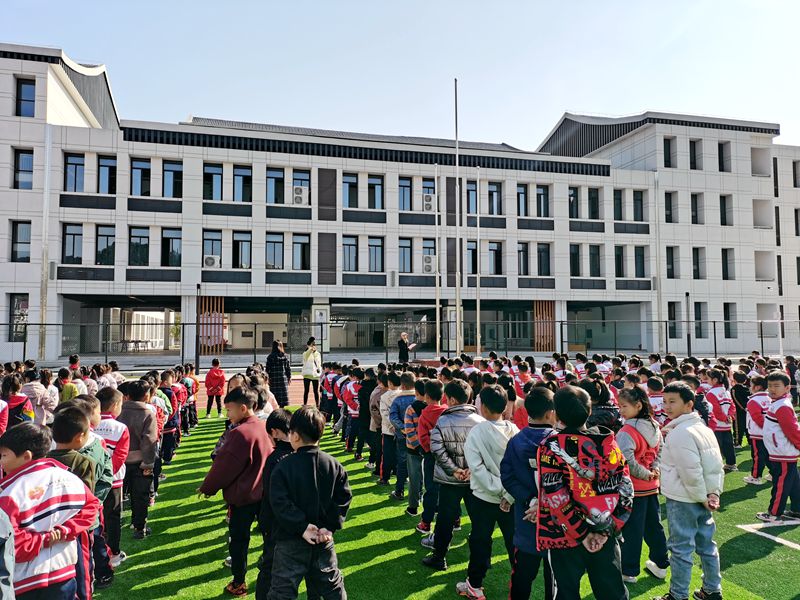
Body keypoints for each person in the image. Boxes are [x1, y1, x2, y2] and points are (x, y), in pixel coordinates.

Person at [536, 385, 633, 600]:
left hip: (565, 536)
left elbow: (556, 497)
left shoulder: (551, 447)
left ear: (556, 414)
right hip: (604, 532)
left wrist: (583, 533)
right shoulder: (610, 443)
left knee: (567, 593)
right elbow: (626, 491)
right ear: (589, 411)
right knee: (612, 593)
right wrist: (606, 530)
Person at [0, 422, 101, 600]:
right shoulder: (69, 478)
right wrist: (65, 531)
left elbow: (12, 545)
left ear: (26, 456)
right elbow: (92, 507)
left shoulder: (10, 494)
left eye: (3, 455)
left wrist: (45, 539)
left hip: (25, 580)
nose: (0, 461)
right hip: (64, 569)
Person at [267, 406, 352, 600]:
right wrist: (329, 527)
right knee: (332, 589)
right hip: (323, 539)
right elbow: (343, 498)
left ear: (295, 436)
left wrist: (302, 526)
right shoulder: (334, 464)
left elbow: (279, 502)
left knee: (282, 592)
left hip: (291, 541)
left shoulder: (283, 466)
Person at [198, 386, 273, 597]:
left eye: (229, 410)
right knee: (269, 538)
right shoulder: (264, 426)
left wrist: (208, 488)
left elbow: (225, 466)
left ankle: (239, 582)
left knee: (239, 541)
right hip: (264, 494)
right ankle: (270, 577)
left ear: (243, 408)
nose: (228, 414)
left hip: (243, 498)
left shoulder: (239, 433)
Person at [657, 382, 724, 600]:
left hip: (684, 497)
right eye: (665, 401)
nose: (667, 406)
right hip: (702, 495)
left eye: (672, 401)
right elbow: (716, 465)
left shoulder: (681, 432)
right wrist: (713, 493)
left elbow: (690, 471)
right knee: (707, 546)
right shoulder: (702, 428)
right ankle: (712, 589)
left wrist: (703, 497)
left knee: (681, 549)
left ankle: (678, 595)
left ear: (689, 404)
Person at [456, 384, 518, 599]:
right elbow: (519, 468)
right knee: (513, 542)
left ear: (482, 406)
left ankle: (475, 584)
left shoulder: (478, 432)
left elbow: (477, 468)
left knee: (480, 540)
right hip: (510, 497)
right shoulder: (514, 430)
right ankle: (518, 583)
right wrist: (507, 492)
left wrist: (498, 489)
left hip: (485, 497)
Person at [500, 386, 555, 600]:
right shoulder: (559, 442)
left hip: (526, 521)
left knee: (522, 576)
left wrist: (531, 500)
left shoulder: (516, 440)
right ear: (550, 413)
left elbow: (507, 476)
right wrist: (538, 502)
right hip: (555, 525)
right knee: (555, 580)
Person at [422, 379, 484, 571]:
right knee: (479, 520)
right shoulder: (480, 421)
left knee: (445, 520)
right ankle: (482, 559)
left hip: (450, 479)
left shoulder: (444, 420)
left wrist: (454, 470)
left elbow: (437, 449)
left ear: (452, 400)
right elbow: (485, 451)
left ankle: (439, 557)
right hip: (474, 479)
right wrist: (471, 469)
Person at [616, 386, 669, 585]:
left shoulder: (626, 431)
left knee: (632, 531)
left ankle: (628, 571)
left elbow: (627, 461)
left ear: (638, 405)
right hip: (652, 485)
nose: (621, 410)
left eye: (624, 406)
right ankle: (661, 563)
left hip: (634, 487)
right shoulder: (655, 425)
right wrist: (654, 470)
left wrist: (647, 473)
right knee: (654, 526)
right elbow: (660, 452)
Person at [256, 409, 295, 600]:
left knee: (270, 567)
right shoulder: (301, 454)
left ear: (275, 432)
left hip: (276, 525)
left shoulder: (275, 459)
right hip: (301, 524)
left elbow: (271, 497)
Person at [757, 370, 800, 522]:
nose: (772, 389)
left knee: (781, 484)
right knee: (794, 483)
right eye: (770, 385)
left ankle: (774, 513)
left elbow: (792, 430)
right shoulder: (778, 403)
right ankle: (797, 510)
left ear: (787, 388)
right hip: (782, 451)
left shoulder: (782, 405)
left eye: (776, 386)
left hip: (783, 453)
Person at [118, 379, 158, 539]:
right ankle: (139, 527)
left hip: (119, 461)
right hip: (140, 461)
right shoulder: (147, 413)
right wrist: (148, 462)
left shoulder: (119, 410)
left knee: (118, 495)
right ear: (146, 395)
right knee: (140, 496)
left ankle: (113, 525)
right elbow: (149, 440)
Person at [95, 387, 130, 568]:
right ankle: (114, 553)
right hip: (113, 480)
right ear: (115, 405)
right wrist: (107, 475)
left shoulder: (88, 426)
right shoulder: (120, 427)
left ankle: (97, 553)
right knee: (113, 516)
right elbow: (120, 456)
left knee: (95, 518)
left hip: (91, 480)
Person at [416, 379, 447, 534]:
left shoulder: (424, 415)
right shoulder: (448, 412)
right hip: (449, 455)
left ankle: (426, 522)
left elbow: (423, 439)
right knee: (448, 489)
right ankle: (455, 519)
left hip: (431, 456)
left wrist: (432, 449)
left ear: (426, 396)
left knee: (431, 489)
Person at [388, 372, 417, 501]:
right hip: (417, 436)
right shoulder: (419, 398)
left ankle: (399, 491)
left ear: (402, 385)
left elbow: (393, 417)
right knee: (417, 464)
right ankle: (417, 493)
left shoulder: (397, 399)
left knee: (402, 463)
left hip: (402, 436)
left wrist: (403, 428)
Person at [402, 378, 429, 517]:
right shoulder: (431, 408)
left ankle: (413, 507)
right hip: (429, 448)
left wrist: (417, 446)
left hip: (413, 449)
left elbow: (409, 430)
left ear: (416, 392)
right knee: (429, 478)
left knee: (414, 479)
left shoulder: (411, 409)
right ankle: (431, 505)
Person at [705, 369, 736, 472]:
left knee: (716, 446)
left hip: (717, 425)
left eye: (708, 378)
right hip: (727, 424)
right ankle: (731, 463)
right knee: (729, 445)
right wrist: (729, 416)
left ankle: (717, 465)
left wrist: (724, 418)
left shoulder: (711, 393)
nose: (707, 380)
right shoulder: (726, 391)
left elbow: (715, 409)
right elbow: (732, 406)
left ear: (714, 380)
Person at [743, 375, 772, 486]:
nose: (750, 387)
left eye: (751, 385)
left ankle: (755, 477)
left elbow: (758, 418)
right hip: (769, 433)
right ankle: (773, 473)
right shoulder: (770, 398)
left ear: (758, 387)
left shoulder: (753, 400)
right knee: (769, 455)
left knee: (757, 456)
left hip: (758, 433)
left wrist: (766, 428)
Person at [267, 341, 292, 408]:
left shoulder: (270, 357)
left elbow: (268, 369)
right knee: (283, 398)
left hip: (274, 379)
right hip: (283, 379)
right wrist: (289, 377)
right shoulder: (285, 356)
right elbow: (288, 369)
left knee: (275, 398)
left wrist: (268, 378)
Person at [302, 337, 322, 407]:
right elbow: (306, 357)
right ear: (308, 345)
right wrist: (310, 349)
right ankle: (305, 404)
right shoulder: (305, 353)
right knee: (306, 391)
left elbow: (318, 361)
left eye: (314, 345)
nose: (313, 346)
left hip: (315, 374)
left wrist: (314, 351)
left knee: (316, 391)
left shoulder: (317, 353)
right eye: (311, 345)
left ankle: (317, 404)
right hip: (307, 374)